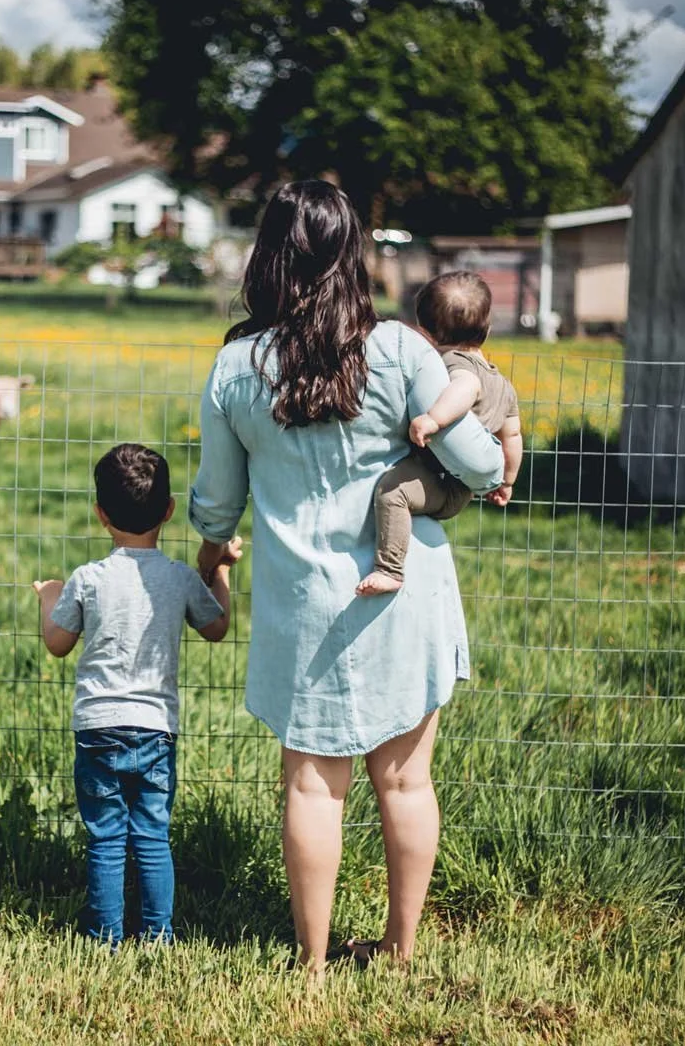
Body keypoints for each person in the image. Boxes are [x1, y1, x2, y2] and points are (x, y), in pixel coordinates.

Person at [189, 181, 503, 974]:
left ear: (267, 257)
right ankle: (400, 953)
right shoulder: (402, 349)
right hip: (406, 590)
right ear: (351, 254)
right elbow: (477, 460)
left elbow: (217, 505)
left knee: (311, 786)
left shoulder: (236, 365)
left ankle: (314, 964)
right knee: (406, 782)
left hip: (305, 605)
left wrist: (213, 546)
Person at [32, 443, 241, 945]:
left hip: (98, 727)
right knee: (151, 834)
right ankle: (156, 934)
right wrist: (224, 574)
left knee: (105, 837)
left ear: (101, 514)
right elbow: (217, 627)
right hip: (154, 729)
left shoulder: (87, 580)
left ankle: (103, 935)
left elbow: (57, 644)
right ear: (169, 510)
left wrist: (48, 598)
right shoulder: (179, 578)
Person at [356, 271, 524, 597]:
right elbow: (513, 437)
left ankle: (389, 569)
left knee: (393, 492)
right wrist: (508, 481)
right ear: (486, 330)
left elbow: (466, 387)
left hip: (436, 479)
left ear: (426, 333)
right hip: (462, 489)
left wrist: (433, 419)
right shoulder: (504, 385)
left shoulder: (452, 363)